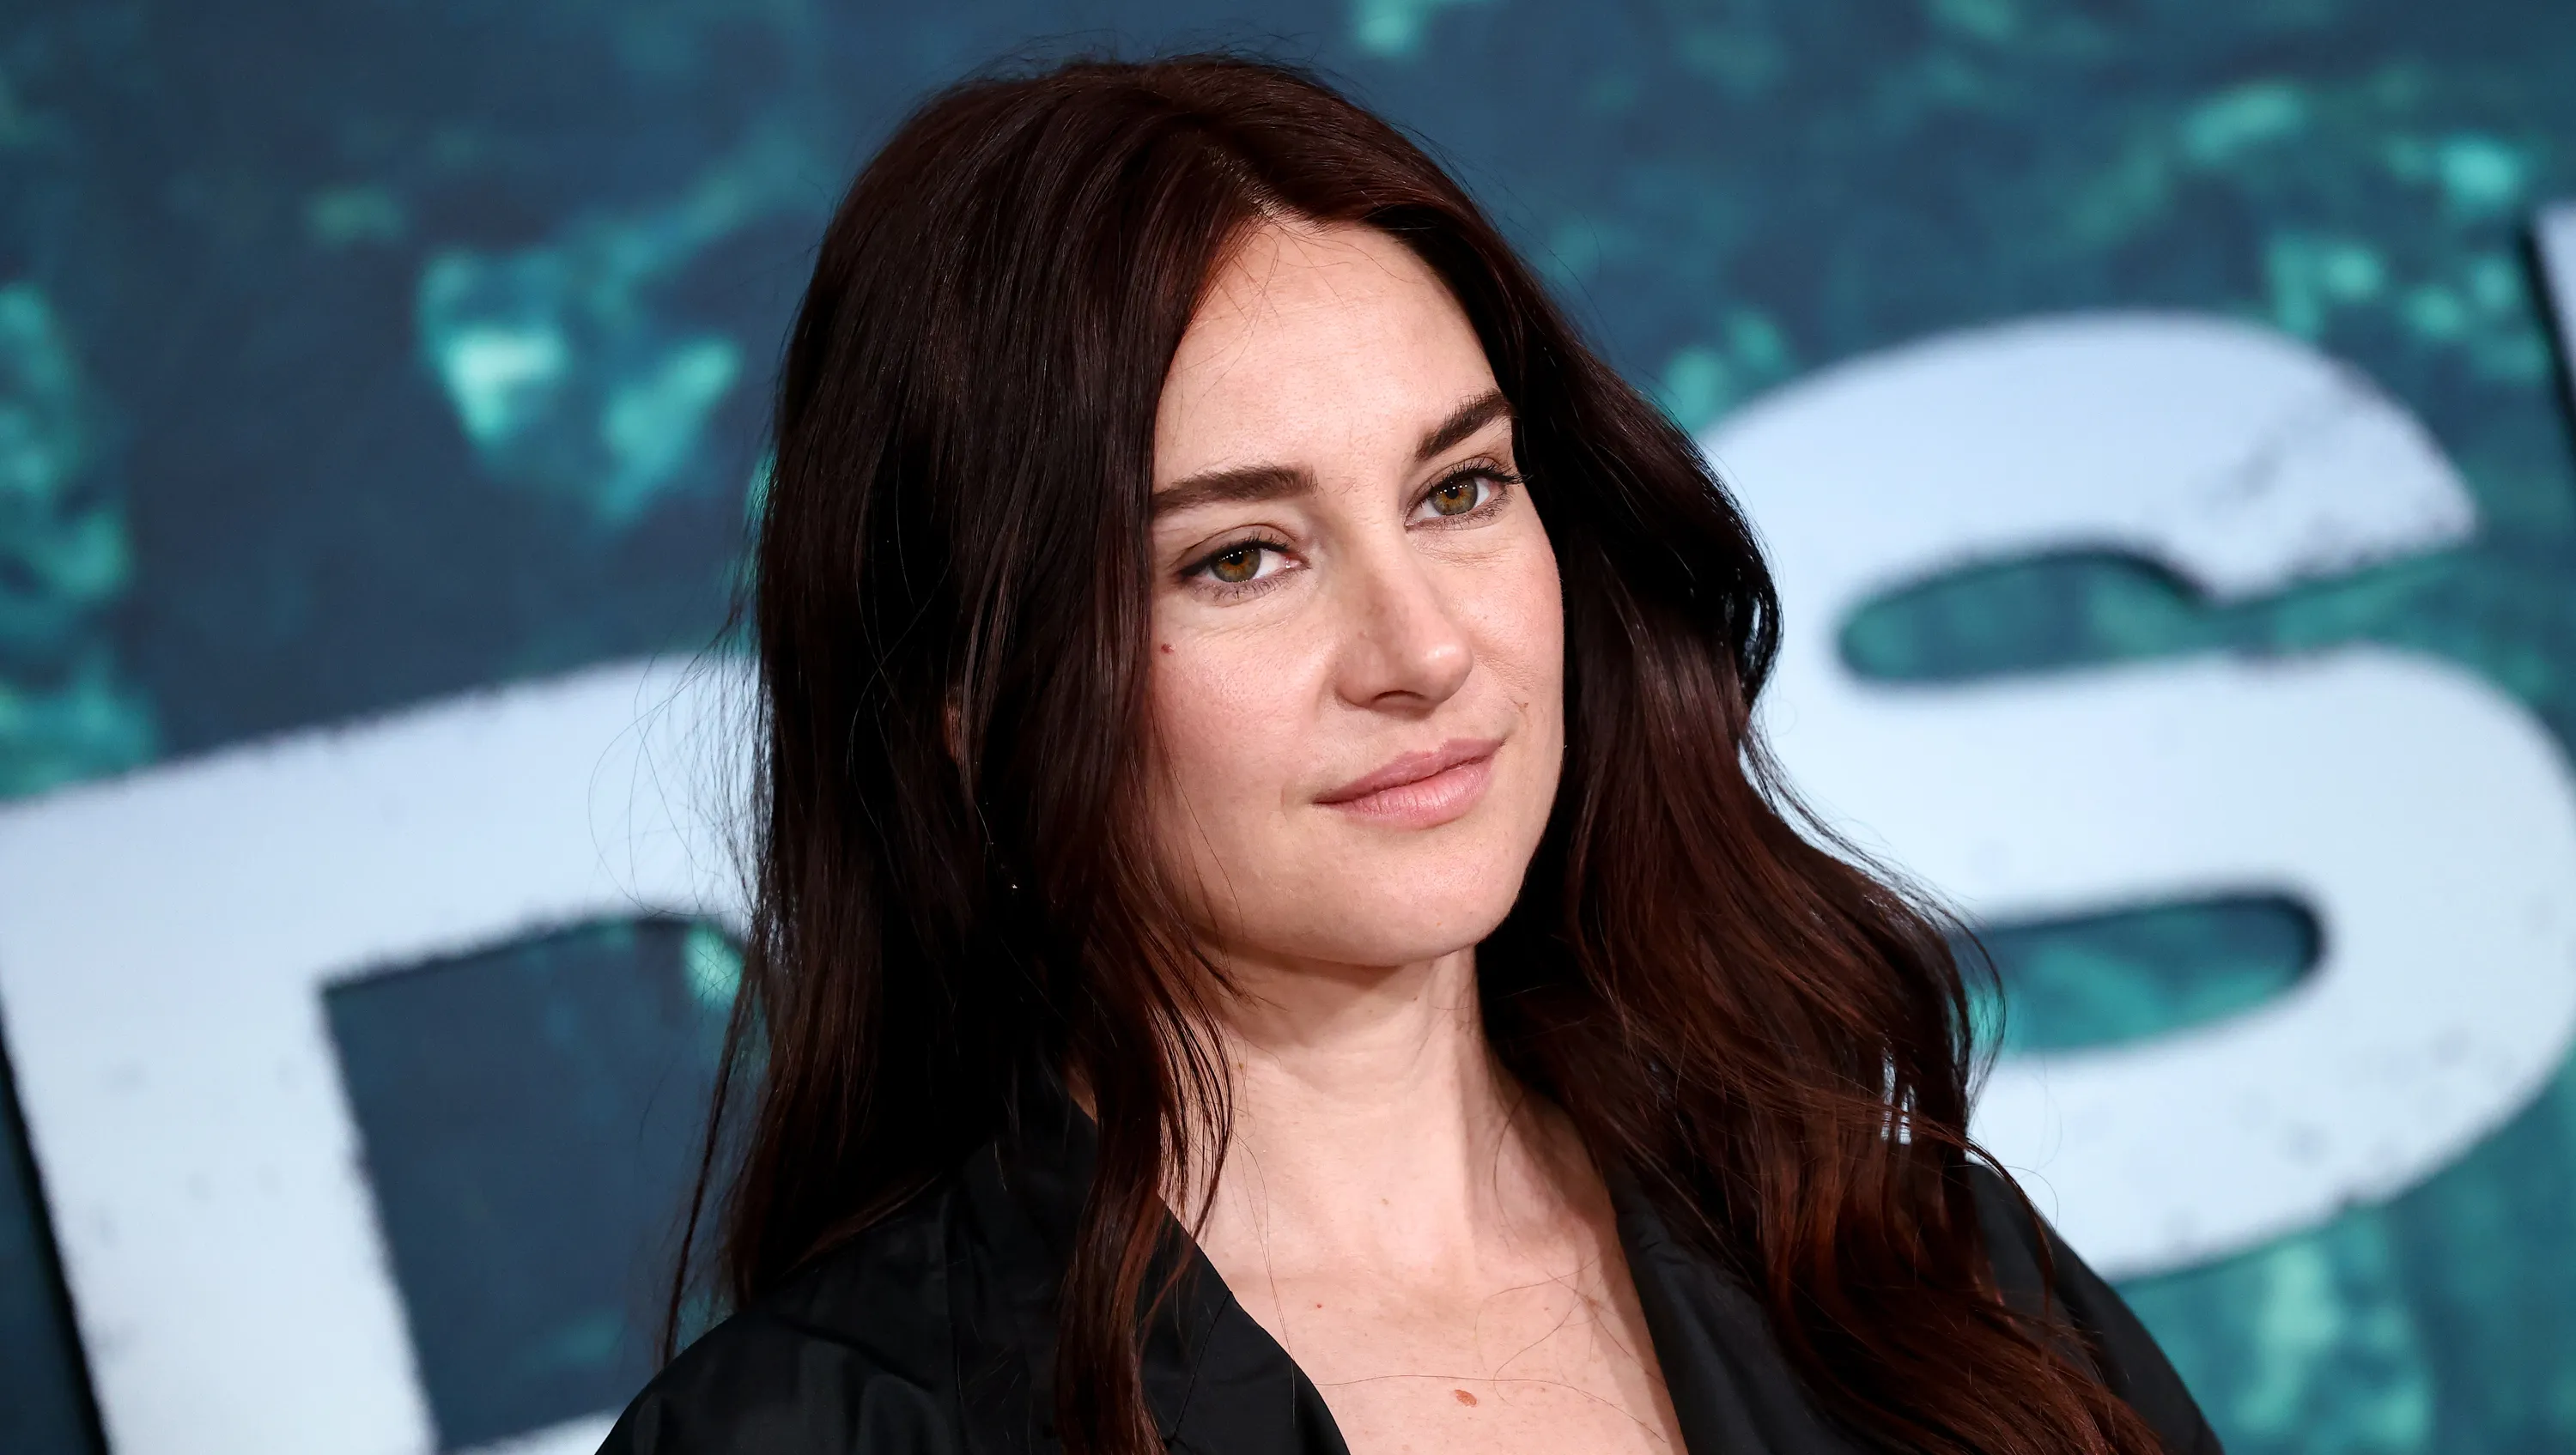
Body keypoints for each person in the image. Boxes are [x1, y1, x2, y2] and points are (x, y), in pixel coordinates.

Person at [603, 54, 2219, 1455]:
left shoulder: (1922, 1278)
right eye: (1239, 556)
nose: (1426, 650)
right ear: (967, 707)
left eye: (1460, 492)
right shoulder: (824, 1428)